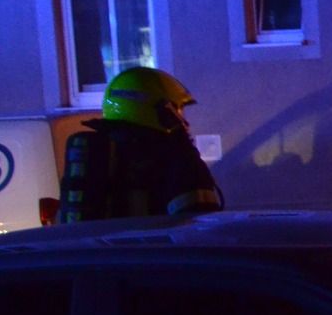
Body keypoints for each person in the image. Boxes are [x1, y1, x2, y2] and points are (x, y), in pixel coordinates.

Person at [55, 67, 224, 223]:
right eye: (179, 109)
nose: (183, 119)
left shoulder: (94, 152)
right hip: (153, 247)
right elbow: (201, 226)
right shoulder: (179, 160)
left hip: (93, 247)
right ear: (166, 111)